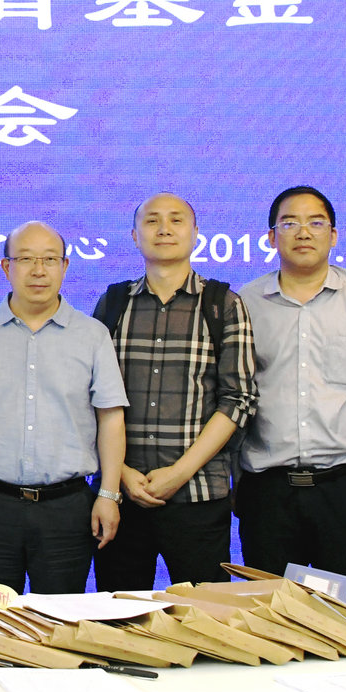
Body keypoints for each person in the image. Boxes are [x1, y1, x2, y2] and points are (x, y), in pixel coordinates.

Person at [234, 185, 346, 575]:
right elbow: (235, 397)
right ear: (271, 237)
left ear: (333, 235)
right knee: (272, 605)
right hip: (269, 490)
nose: (303, 232)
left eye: (315, 223)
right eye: (289, 223)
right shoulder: (246, 302)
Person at [89, 193, 258, 589]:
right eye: (152, 221)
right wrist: (120, 474)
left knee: (206, 615)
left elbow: (239, 399)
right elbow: (89, 397)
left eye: (176, 220)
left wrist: (179, 473)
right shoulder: (113, 303)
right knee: (119, 615)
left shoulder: (223, 304)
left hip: (198, 496)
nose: (164, 229)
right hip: (121, 496)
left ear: (196, 233)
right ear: (134, 236)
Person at [0, 222, 126, 596]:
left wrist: (109, 494)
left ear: (65, 266)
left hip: (67, 508)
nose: (39, 270)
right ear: (6, 267)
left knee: (61, 622)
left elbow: (111, 419)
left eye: (50, 260)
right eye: (26, 259)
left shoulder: (92, 335)